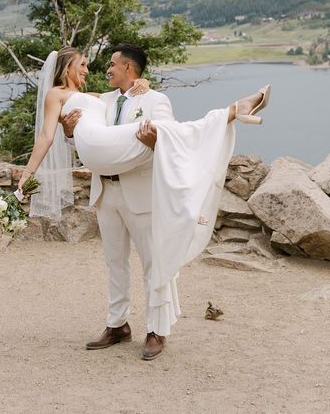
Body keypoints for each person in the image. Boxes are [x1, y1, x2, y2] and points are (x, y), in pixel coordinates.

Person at [17, 44, 269, 360]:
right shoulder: (103, 99)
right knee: (115, 263)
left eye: (111, 64)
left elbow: (158, 138)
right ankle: (117, 325)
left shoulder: (154, 99)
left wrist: (157, 140)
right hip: (106, 192)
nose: (101, 69)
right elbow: (83, 135)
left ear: (129, 69)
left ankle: (156, 330)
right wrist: (68, 131)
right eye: (85, 64)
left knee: (153, 263)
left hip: (139, 193)